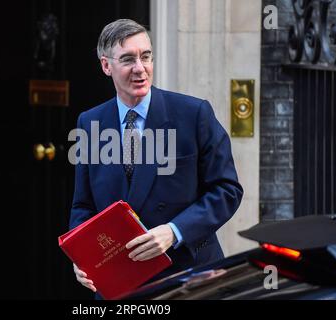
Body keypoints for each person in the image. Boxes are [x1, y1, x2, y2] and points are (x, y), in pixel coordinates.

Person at [69, 19, 243, 296]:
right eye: (127, 59)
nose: (140, 68)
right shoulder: (90, 122)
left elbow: (227, 190)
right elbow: (83, 205)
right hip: (119, 282)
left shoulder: (193, 113)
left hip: (188, 277)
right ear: (106, 66)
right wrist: (84, 257)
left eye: (146, 56)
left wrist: (175, 231)